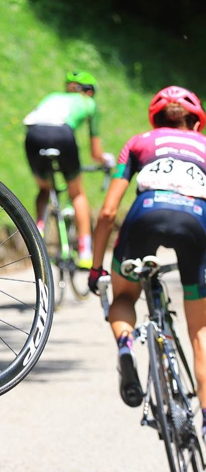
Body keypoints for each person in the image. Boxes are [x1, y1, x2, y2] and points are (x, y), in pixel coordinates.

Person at [87, 86, 206, 430]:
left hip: (146, 214)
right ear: (196, 122)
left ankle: (126, 346)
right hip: (196, 219)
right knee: (200, 332)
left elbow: (108, 212)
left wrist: (97, 268)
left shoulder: (139, 142)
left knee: (124, 297)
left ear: (155, 120)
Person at [23, 70, 114, 268]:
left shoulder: (52, 97)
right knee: (77, 193)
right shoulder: (89, 103)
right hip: (61, 134)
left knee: (44, 189)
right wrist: (106, 161)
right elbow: (95, 153)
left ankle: (39, 228)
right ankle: (85, 252)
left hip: (33, 134)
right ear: (89, 92)